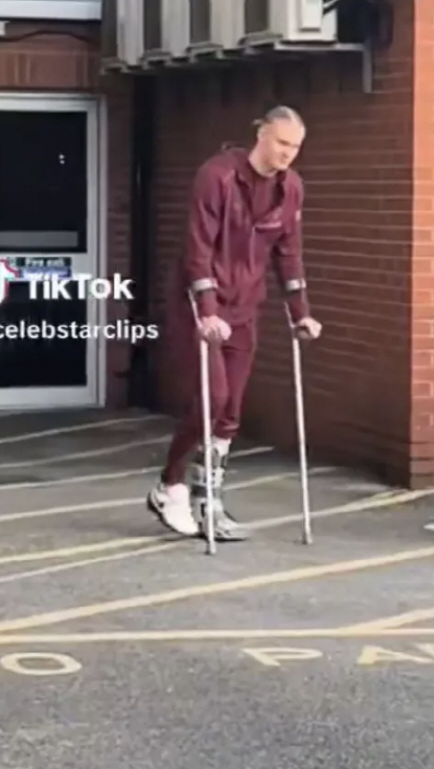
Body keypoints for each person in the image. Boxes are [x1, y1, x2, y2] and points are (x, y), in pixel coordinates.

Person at [147, 106, 322, 542]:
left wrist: (300, 312)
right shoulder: (218, 176)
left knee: (231, 412)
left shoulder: (290, 189)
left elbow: (289, 252)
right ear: (261, 135)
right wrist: (207, 308)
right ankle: (170, 486)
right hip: (199, 303)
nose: (288, 153)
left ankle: (210, 500)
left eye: (295, 147)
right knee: (213, 398)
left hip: (245, 305)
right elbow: (199, 247)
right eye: (282, 143)